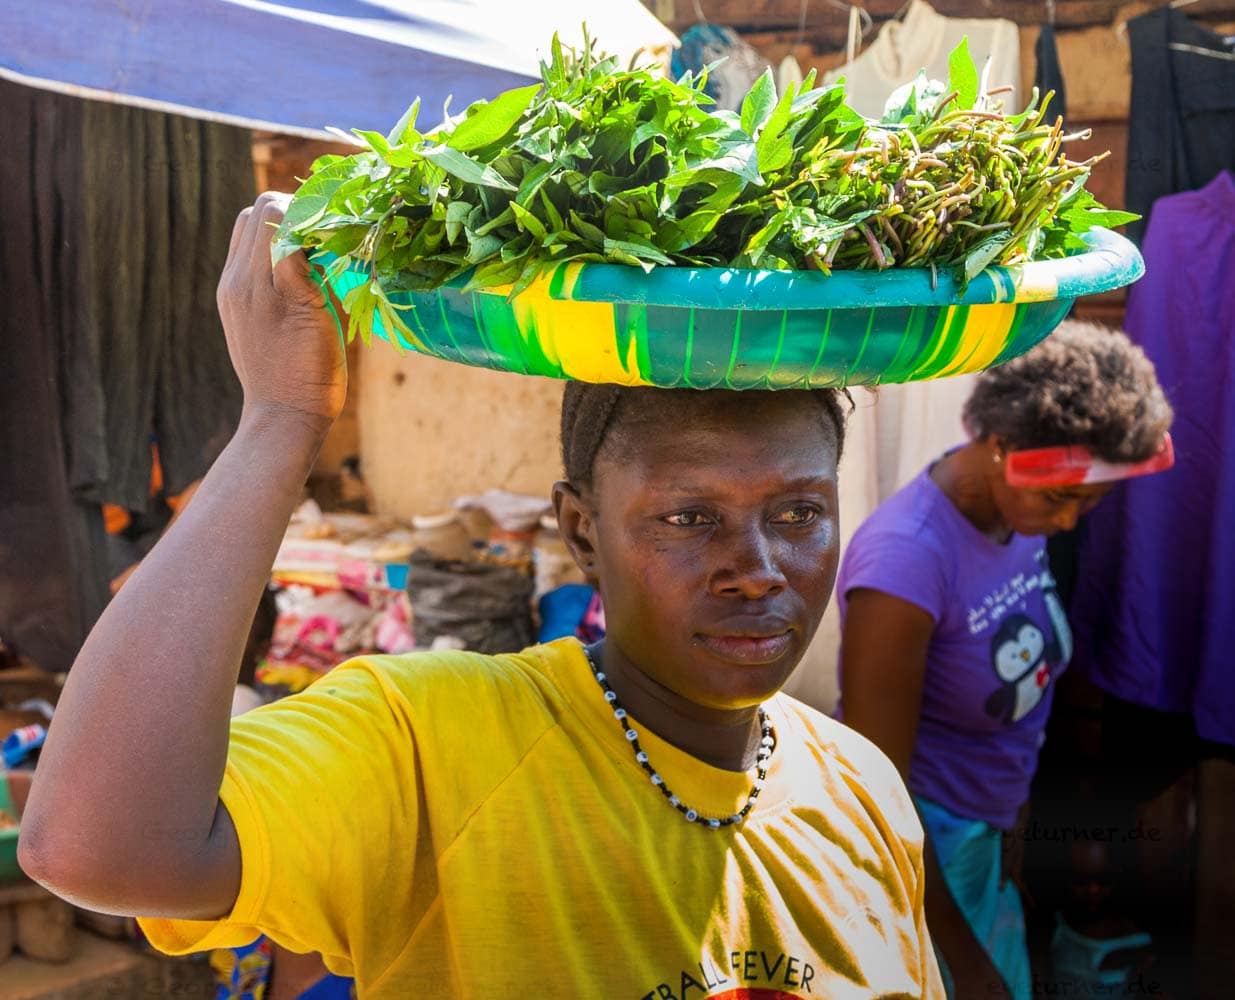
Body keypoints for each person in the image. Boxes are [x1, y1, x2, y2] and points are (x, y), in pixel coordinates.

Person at [18, 192, 944, 998]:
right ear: (580, 531)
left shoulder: (861, 788)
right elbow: (94, 844)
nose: (756, 567)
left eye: (797, 514)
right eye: (688, 519)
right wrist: (282, 421)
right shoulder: (435, 743)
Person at [834, 321, 1174, 1000]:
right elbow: (879, 798)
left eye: (1090, 501)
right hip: (922, 853)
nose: (1070, 521)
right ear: (998, 447)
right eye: (1059, 498)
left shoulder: (1020, 515)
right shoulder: (905, 563)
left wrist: (1009, 820)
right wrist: (963, 960)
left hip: (985, 834)